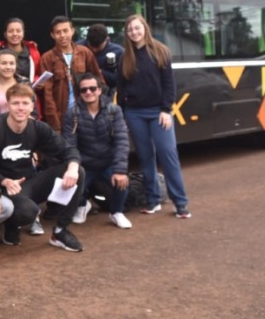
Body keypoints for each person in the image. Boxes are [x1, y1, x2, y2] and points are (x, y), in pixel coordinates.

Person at [0, 84, 86, 252]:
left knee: (78, 172)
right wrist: (4, 181)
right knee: (28, 212)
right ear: (7, 106)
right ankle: (11, 224)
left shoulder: (38, 128)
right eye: (16, 103)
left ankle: (60, 231)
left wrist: (72, 168)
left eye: (25, 103)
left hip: (30, 183)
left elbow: (69, 150)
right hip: (3, 187)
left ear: (32, 106)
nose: (20, 108)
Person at [118, 14, 191, 219]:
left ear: (144, 28)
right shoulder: (125, 57)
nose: (134, 32)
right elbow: (121, 88)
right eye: (130, 29)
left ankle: (180, 203)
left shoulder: (161, 51)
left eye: (137, 28)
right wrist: (122, 114)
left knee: (168, 155)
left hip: (159, 112)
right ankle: (152, 200)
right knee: (145, 157)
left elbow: (169, 84)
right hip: (134, 113)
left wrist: (167, 110)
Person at [62, 73, 131, 229]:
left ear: (100, 90)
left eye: (92, 88)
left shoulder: (114, 111)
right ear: (79, 93)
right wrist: (72, 169)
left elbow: (122, 141)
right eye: (84, 90)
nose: (88, 92)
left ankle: (116, 212)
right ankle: (83, 205)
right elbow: (70, 144)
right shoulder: (72, 114)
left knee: (122, 182)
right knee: (68, 185)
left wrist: (120, 170)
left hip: (108, 162)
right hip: (84, 164)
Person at [38, 16, 104, 132]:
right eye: (58, 32)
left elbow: (99, 81)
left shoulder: (84, 53)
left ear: (72, 31)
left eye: (65, 31)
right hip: (61, 116)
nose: (62, 35)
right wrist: (55, 125)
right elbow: (47, 94)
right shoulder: (47, 58)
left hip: (86, 114)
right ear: (52, 35)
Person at [78, 23, 124, 98]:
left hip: (108, 94)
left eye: (98, 47)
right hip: (83, 93)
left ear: (107, 39)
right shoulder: (78, 49)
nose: (94, 50)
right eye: (92, 46)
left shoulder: (118, 51)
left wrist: (100, 72)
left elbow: (121, 79)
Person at [0, 17, 41, 82]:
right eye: (11, 31)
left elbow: (37, 73)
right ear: (5, 34)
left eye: (18, 31)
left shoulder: (33, 52)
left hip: (26, 90)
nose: (15, 34)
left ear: (23, 33)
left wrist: (36, 79)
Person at [0, 49, 30, 116]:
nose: (8, 67)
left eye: (11, 63)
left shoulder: (25, 84)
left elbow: (33, 110)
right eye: (4, 63)